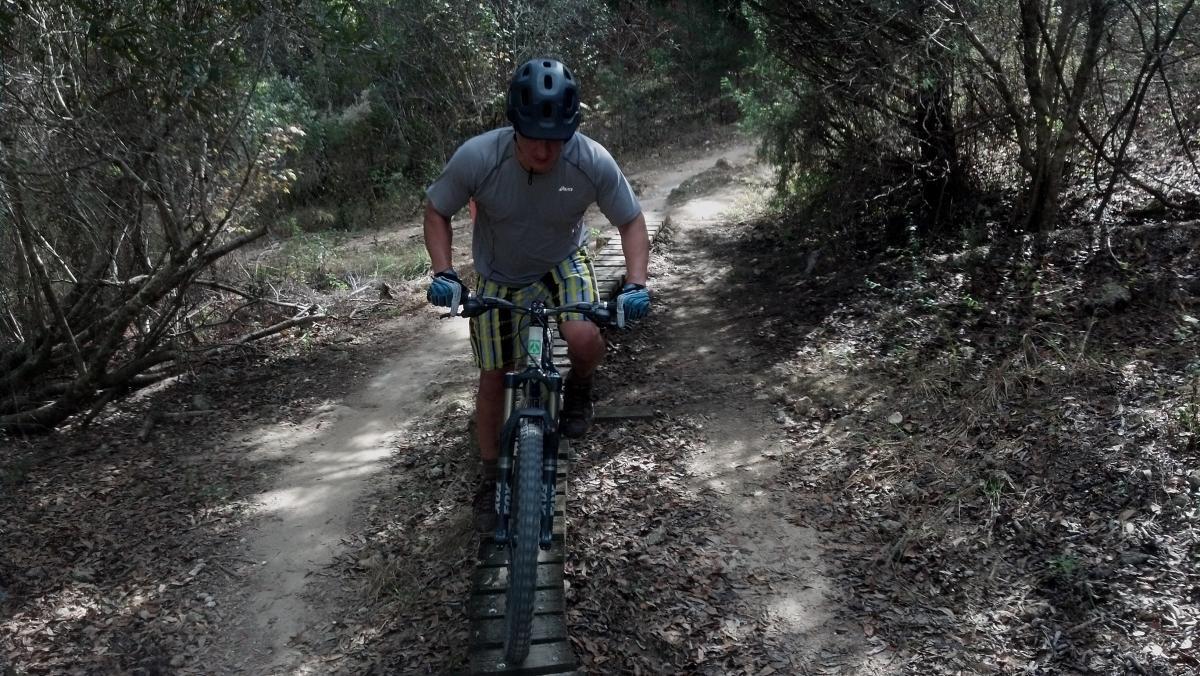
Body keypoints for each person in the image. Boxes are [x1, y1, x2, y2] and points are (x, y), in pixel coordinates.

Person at [422, 57, 651, 531]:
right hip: (498, 271)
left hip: (562, 261)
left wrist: (635, 282)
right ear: (515, 125)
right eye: (534, 137)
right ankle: (492, 477)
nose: (545, 150)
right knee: (494, 377)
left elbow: (631, 220)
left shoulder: (591, 160)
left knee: (583, 337)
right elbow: (436, 210)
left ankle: (581, 387)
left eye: (557, 138)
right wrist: (444, 273)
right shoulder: (478, 157)